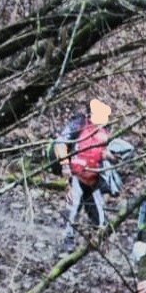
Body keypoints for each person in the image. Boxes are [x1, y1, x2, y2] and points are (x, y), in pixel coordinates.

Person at [54, 99, 134, 252]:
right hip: (77, 175)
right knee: (73, 209)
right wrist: (65, 165)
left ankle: (99, 240)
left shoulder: (103, 131)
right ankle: (67, 241)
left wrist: (112, 156)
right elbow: (60, 142)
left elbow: (101, 152)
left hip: (94, 178)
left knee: (99, 215)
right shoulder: (78, 125)